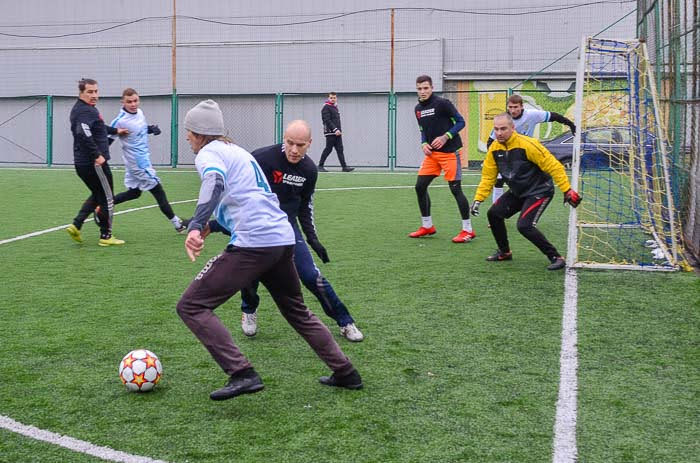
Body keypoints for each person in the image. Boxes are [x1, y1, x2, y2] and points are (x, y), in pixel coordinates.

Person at [175, 100, 362, 401]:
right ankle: (346, 372)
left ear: (198, 133)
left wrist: (196, 226)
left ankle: (242, 373)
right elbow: (246, 199)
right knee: (296, 310)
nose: (187, 138)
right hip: (281, 239)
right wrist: (211, 224)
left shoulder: (209, 153)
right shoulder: (238, 152)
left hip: (255, 243)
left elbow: (215, 181)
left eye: (188, 132)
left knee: (191, 306)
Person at [206, 120, 363, 341]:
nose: (294, 150)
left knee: (311, 276)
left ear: (310, 143)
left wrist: (313, 239)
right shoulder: (261, 158)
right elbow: (236, 194)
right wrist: (215, 224)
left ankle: (345, 321)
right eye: (290, 143)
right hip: (254, 226)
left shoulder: (309, 170)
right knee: (249, 274)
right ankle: (249, 310)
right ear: (284, 139)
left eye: (300, 145)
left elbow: (305, 207)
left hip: (286, 228)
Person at [470, 113, 581, 270]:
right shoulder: (494, 149)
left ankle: (556, 257)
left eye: (503, 129)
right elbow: (488, 177)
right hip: (518, 192)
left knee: (524, 226)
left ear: (513, 128)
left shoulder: (528, 144)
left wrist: (567, 189)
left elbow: (554, 166)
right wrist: (478, 199)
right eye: (496, 129)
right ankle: (504, 252)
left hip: (539, 191)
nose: (499, 133)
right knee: (494, 214)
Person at [107, 88, 186, 233]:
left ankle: (103, 205)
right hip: (138, 163)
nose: (133, 104)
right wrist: (100, 156)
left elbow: (139, 130)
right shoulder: (119, 121)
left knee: (134, 193)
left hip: (141, 161)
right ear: (122, 102)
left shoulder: (140, 113)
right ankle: (178, 223)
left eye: (135, 100)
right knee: (158, 190)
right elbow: (108, 140)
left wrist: (151, 129)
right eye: (129, 101)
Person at [409, 75, 475, 243]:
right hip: (432, 156)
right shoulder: (417, 108)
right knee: (420, 187)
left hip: (450, 153)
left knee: (455, 189)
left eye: (425, 88)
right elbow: (423, 129)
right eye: (419, 89)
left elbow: (461, 122)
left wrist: (446, 136)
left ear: (432, 88)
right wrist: (423, 143)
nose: (422, 91)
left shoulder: (443, 104)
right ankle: (427, 226)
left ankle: (468, 230)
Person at [66, 78, 127, 246]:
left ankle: (76, 224)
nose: (94, 95)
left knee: (98, 194)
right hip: (94, 163)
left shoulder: (83, 109)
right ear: (81, 93)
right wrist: (97, 155)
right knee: (108, 197)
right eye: (90, 92)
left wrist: (116, 130)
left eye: (96, 91)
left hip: (82, 164)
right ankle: (106, 236)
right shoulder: (86, 111)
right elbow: (82, 133)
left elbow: (98, 127)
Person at [487, 94, 576, 203]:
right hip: (507, 154)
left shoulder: (532, 115)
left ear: (522, 106)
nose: (513, 110)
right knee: (499, 180)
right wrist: (495, 158)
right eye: (510, 107)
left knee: (539, 173)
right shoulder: (504, 121)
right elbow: (490, 141)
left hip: (526, 153)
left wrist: (571, 124)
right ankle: (496, 205)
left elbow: (554, 116)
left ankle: (552, 192)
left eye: (516, 107)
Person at [318, 92, 354, 172]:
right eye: (331, 98)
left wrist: (339, 130)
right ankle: (320, 166)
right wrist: (335, 129)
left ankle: (344, 167)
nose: (333, 99)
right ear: (328, 98)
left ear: (336, 98)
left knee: (340, 149)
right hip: (331, 132)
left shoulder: (335, 107)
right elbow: (327, 120)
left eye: (334, 98)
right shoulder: (326, 107)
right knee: (328, 149)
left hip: (338, 133)